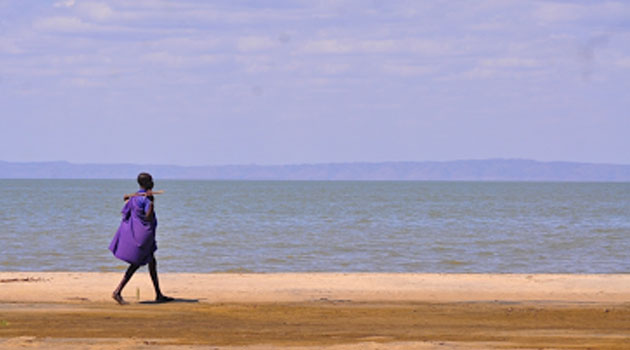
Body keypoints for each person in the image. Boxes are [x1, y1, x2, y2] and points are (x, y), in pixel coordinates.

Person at [109, 172, 173, 305]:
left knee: (152, 262)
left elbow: (127, 209)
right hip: (144, 236)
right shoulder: (145, 199)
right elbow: (148, 217)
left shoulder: (134, 198)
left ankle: (158, 294)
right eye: (151, 181)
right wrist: (152, 202)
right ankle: (117, 291)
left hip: (139, 235)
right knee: (136, 264)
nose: (153, 183)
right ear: (148, 183)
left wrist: (126, 199)